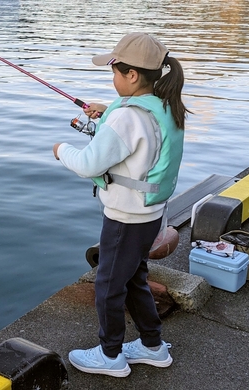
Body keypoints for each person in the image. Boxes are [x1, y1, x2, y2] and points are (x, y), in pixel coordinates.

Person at [53, 32, 190, 377]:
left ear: (131, 75)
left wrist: (60, 150)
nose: (112, 79)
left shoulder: (126, 118)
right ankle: (152, 346)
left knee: (109, 285)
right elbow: (134, 127)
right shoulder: (163, 103)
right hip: (150, 215)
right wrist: (107, 107)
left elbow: (87, 164)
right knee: (132, 279)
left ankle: (110, 355)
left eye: (115, 72)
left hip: (126, 219)